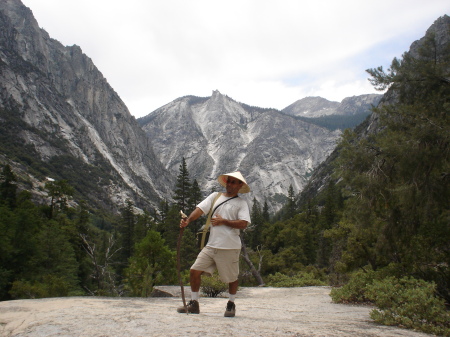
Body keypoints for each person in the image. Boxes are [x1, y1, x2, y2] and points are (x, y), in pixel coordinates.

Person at [177, 171, 251, 317]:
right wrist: (188, 220)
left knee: (232, 278)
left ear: (240, 185)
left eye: (233, 182)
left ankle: (231, 304)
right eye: (228, 181)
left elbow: (244, 224)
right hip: (211, 245)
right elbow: (200, 210)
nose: (229, 184)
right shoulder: (215, 196)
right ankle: (194, 303)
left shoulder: (242, 203)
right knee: (194, 271)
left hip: (229, 246)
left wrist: (223, 221)